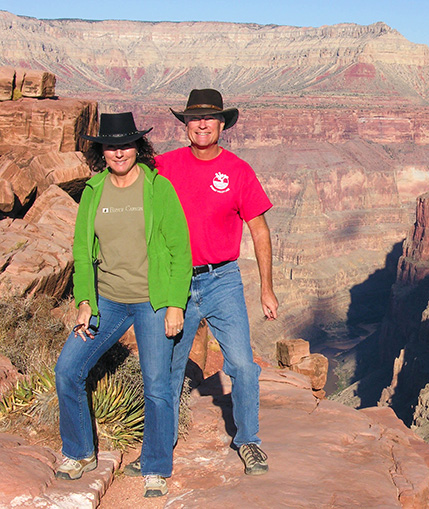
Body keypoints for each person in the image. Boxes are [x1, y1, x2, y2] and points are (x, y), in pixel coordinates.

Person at [124, 89, 278, 477]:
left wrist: (266, 288)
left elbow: (259, 230)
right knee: (170, 368)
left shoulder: (239, 171)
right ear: (186, 125)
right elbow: (128, 192)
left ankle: (249, 442)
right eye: (194, 119)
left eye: (210, 118)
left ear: (223, 124)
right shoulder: (163, 165)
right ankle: (159, 448)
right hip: (175, 281)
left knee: (242, 364)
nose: (203, 124)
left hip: (223, 279)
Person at [54, 112, 192, 498]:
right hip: (108, 302)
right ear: (102, 150)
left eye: (126, 144)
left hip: (152, 301)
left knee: (157, 385)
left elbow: (181, 251)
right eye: (111, 145)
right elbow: (82, 252)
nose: (119, 152)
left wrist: (175, 304)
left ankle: (156, 465)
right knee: (68, 368)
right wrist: (85, 300)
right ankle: (79, 451)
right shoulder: (93, 190)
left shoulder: (158, 189)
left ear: (138, 147)